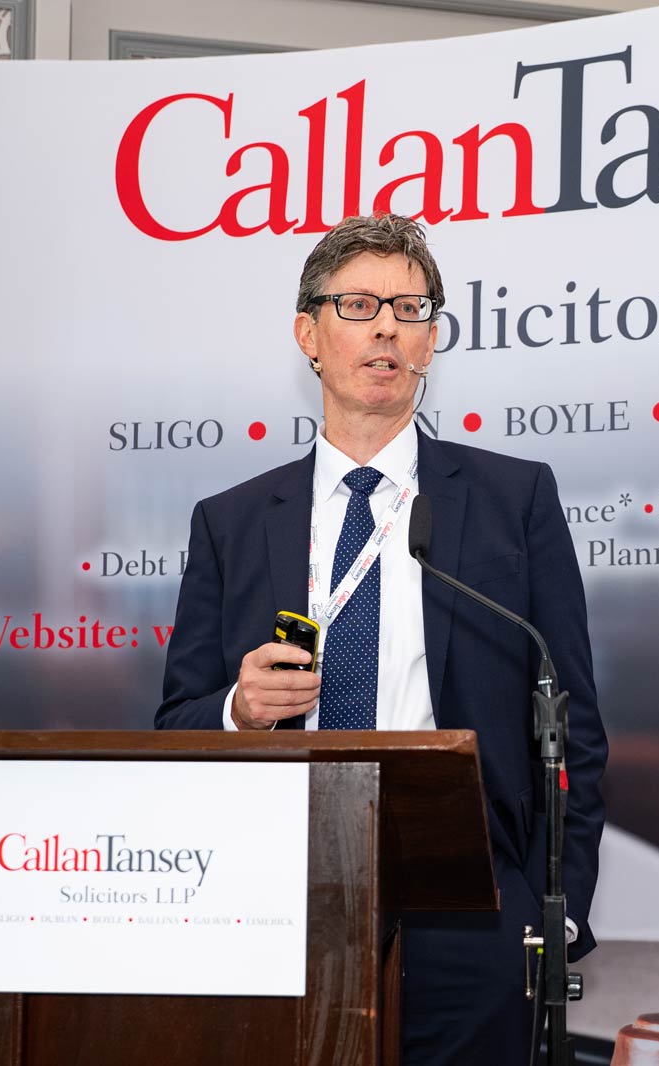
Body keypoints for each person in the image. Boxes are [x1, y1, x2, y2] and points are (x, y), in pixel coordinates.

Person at [157, 212, 607, 1065]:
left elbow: (571, 719)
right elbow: (176, 722)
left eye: (411, 309)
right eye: (359, 306)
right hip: (276, 893)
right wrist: (239, 710)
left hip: (473, 903)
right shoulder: (232, 522)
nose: (388, 329)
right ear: (309, 335)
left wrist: (558, 910)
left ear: (432, 341)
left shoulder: (513, 500)